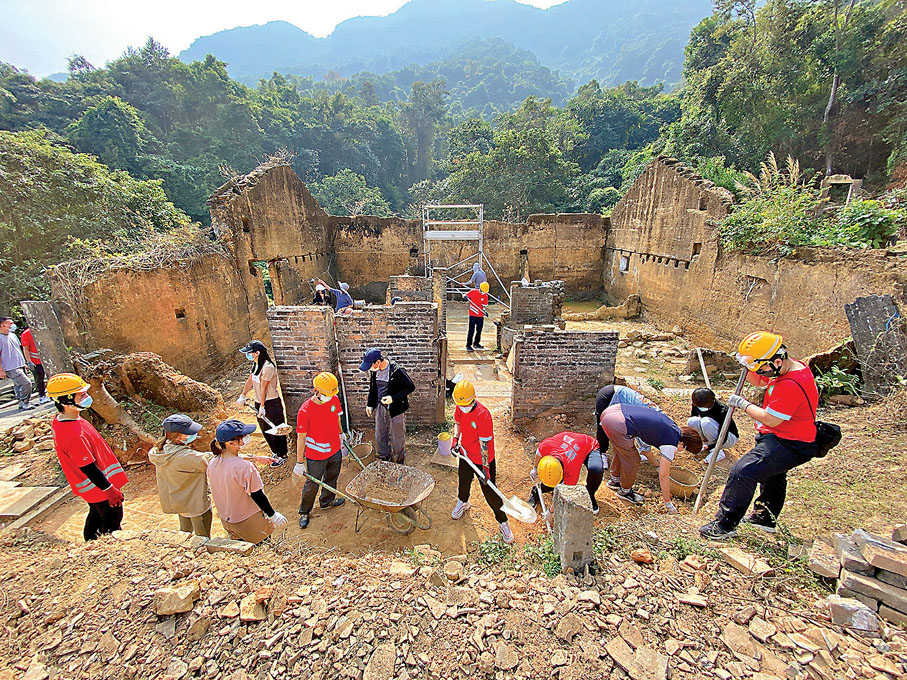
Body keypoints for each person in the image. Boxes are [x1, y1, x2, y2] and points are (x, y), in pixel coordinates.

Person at [700, 332, 819, 540]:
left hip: (791, 442)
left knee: (743, 471)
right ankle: (764, 519)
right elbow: (758, 380)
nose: (761, 372)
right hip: (782, 435)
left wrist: (743, 404)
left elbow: (771, 419)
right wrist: (747, 364)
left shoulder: (792, 384)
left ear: (777, 361)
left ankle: (724, 525)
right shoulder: (787, 367)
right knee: (773, 475)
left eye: (762, 367)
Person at [47, 373, 128, 541]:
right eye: (81, 395)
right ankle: (107, 548)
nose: (86, 397)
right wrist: (109, 490)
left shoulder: (66, 420)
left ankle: (90, 542)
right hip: (98, 487)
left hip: (94, 489)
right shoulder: (73, 435)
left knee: (96, 514)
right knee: (112, 519)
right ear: (65, 400)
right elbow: (88, 467)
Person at [600, 403, 702, 512]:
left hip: (614, 410)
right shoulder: (670, 443)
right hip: (618, 422)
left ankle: (615, 481)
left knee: (622, 450)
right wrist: (668, 503)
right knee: (633, 459)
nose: (683, 452)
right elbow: (663, 476)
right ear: (682, 444)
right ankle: (625, 491)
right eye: (685, 449)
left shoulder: (673, 426)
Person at [450, 380, 513, 543]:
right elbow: (458, 423)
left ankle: (503, 522)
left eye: (466, 404)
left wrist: (485, 469)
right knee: (463, 481)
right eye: (460, 404)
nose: (463, 407)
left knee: (490, 492)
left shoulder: (483, 415)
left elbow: (484, 445)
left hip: (483, 459)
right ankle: (463, 502)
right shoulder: (460, 405)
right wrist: (455, 440)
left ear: (473, 399)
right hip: (465, 453)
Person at [207, 419, 287, 544]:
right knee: (262, 548)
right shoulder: (245, 468)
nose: (246, 438)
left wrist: (256, 458)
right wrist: (272, 514)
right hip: (248, 521)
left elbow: (233, 459)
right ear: (231, 443)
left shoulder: (213, 462)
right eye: (242, 436)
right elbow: (257, 495)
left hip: (228, 520)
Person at [293, 372, 346, 529]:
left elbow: (337, 418)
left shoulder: (334, 399)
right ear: (316, 390)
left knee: (332, 476)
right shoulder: (305, 411)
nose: (330, 397)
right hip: (316, 454)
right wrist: (299, 462)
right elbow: (301, 438)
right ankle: (304, 510)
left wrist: (341, 434)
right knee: (312, 483)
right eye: (326, 394)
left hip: (334, 449)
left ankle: (327, 501)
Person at [148, 414, 213, 537]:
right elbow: (215, 461)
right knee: (203, 540)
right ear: (179, 437)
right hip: (196, 505)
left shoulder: (158, 452)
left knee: (184, 535)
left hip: (179, 503)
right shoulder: (187, 457)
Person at [236, 341, 288, 467]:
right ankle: (274, 452)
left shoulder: (268, 367)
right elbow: (250, 381)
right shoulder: (256, 365)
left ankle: (282, 455)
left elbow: (264, 388)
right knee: (265, 430)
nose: (248, 355)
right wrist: (243, 395)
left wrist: (263, 406)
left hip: (271, 403)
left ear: (257, 353)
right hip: (259, 402)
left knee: (275, 430)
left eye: (250, 353)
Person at [528, 431, 604, 514]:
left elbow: (565, 492)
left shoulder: (572, 470)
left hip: (589, 446)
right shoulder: (546, 446)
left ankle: (590, 494)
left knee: (596, 469)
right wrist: (535, 468)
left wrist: (550, 511)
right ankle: (535, 492)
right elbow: (539, 452)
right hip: (568, 440)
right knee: (553, 480)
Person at [361, 348, 415, 464]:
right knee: (380, 432)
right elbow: (373, 389)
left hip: (396, 408)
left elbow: (410, 387)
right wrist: (370, 404)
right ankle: (384, 456)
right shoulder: (374, 371)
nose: (369, 368)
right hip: (381, 406)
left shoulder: (396, 370)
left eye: (370, 365)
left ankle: (399, 458)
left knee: (397, 435)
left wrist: (393, 398)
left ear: (377, 362)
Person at [594, 384, 661, 456]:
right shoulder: (649, 421)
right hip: (608, 396)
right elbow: (645, 448)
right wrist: (657, 465)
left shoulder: (657, 413)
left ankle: (617, 454)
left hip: (618, 392)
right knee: (604, 425)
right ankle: (602, 453)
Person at [687, 388, 739, 464]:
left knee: (706, 422)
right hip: (712, 433)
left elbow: (723, 435)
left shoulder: (722, 410)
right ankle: (706, 443)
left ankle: (717, 452)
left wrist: (711, 446)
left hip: (728, 438)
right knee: (692, 421)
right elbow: (693, 416)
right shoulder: (697, 404)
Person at [0, 317, 33, 411]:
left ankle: (21, 402)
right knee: (26, 383)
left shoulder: (13, 335)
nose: (12, 325)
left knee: (18, 385)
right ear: (2, 325)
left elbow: (18, 349)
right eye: (10, 323)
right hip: (10, 367)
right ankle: (26, 402)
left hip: (20, 364)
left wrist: (24, 362)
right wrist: (1, 370)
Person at [20, 327, 49, 405]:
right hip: (35, 361)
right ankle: (42, 395)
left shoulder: (43, 329)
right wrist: (29, 361)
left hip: (47, 359)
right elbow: (25, 348)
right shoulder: (26, 334)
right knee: (39, 378)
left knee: (50, 377)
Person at [465, 281, 489, 352]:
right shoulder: (473, 292)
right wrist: (465, 297)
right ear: (480, 289)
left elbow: (483, 306)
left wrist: (484, 312)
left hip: (480, 316)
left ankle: (476, 343)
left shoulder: (485, 296)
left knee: (479, 330)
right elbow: (465, 295)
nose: (484, 292)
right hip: (472, 315)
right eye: (483, 291)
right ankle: (468, 345)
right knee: (471, 330)